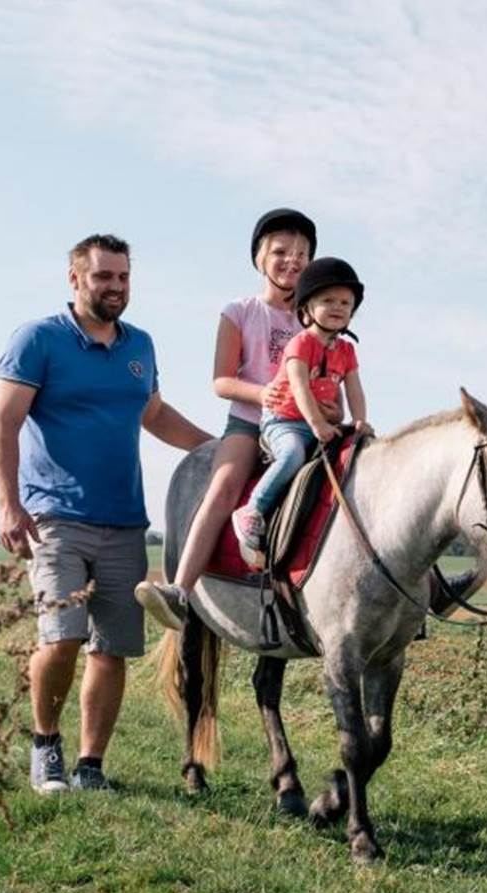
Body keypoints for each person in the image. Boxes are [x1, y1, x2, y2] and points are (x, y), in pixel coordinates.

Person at [0, 233, 211, 794]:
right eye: (103, 277)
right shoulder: (38, 339)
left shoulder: (140, 346)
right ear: (75, 279)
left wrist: (218, 449)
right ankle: (45, 747)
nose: (115, 287)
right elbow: (4, 425)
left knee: (111, 649)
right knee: (61, 639)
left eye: (123, 277)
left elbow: (155, 415)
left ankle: (90, 765)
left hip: (125, 520)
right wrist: (8, 504)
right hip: (54, 517)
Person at [134, 209, 334, 629]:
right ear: (259, 258)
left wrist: (331, 406)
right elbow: (222, 381)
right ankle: (181, 591)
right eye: (280, 251)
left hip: (308, 422)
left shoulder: (319, 318)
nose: (292, 260)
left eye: (302, 253)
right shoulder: (240, 312)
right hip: (251, 422)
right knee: (224, 486)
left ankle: (417, 589)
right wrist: (267, 394)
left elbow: (332, 377)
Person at [230, 256, 372, 552]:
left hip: (320, 423)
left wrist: (359, 421)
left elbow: (355, 388)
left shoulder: (346, 350)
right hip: (284, 420)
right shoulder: (300, 343)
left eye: (345, 303)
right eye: (328, 300)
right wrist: (318, 424)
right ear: (307, 308)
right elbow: (299, 387)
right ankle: (253, 509)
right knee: (293, 454)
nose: (337, 307)